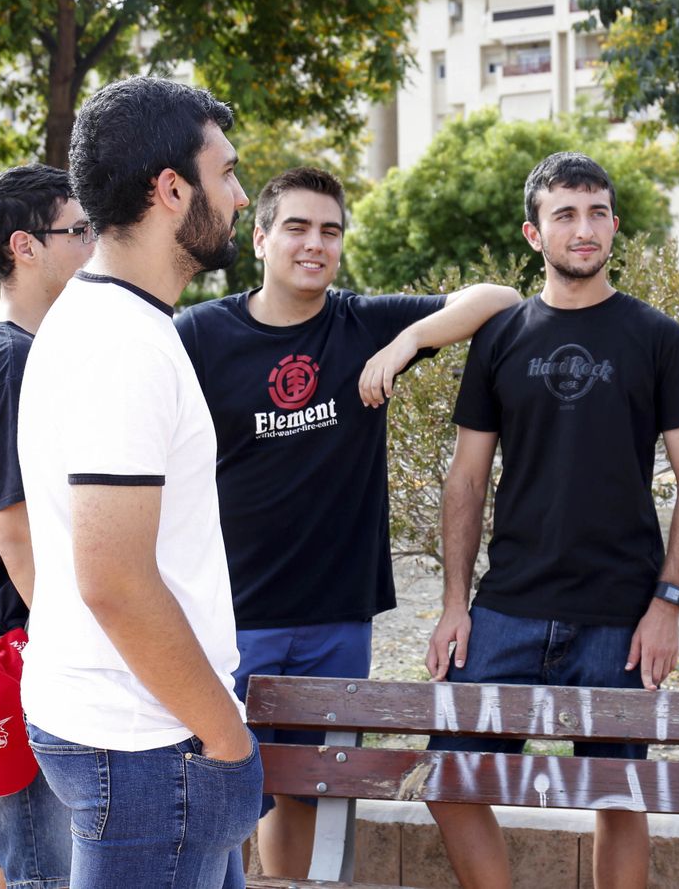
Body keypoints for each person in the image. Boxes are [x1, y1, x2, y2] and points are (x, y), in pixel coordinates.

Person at [175, 167, 519, 878]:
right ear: (261, 236)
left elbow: (500, 299)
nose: (315, 244)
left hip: (337, 614)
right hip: (234, 613)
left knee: (308, 790)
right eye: (297, 227)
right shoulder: (199, 335)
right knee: (228, 791)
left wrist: (405, 344)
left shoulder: (363, 323)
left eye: (330, 231)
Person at [424, 152, 679, 889]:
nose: (582, 229)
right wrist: (454, 604)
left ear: (615, 226)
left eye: (596, 213)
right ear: (535, 232)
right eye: (565, 214)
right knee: (449, 780)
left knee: (619, 797)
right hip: (507, 608)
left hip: (620, 616)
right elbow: (466, 479)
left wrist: (667, 604)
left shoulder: (657, 337)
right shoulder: (499, 336)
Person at [17, 76, 260, 889]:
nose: (241, 194)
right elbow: (113, 577)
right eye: (225, 173)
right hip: (149, 745)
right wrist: (225, 734)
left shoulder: (103, 319)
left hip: (143, 731)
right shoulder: (124, 345)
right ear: (170, 190)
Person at [0, 163, 92, 889]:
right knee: (41, 866)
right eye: (78, 230)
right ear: (26, 246)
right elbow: (17, 532)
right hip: (25, 649)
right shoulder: (8, 362)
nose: (91, 245)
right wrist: (72, 644)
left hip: (9, 642)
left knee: (9, 853)